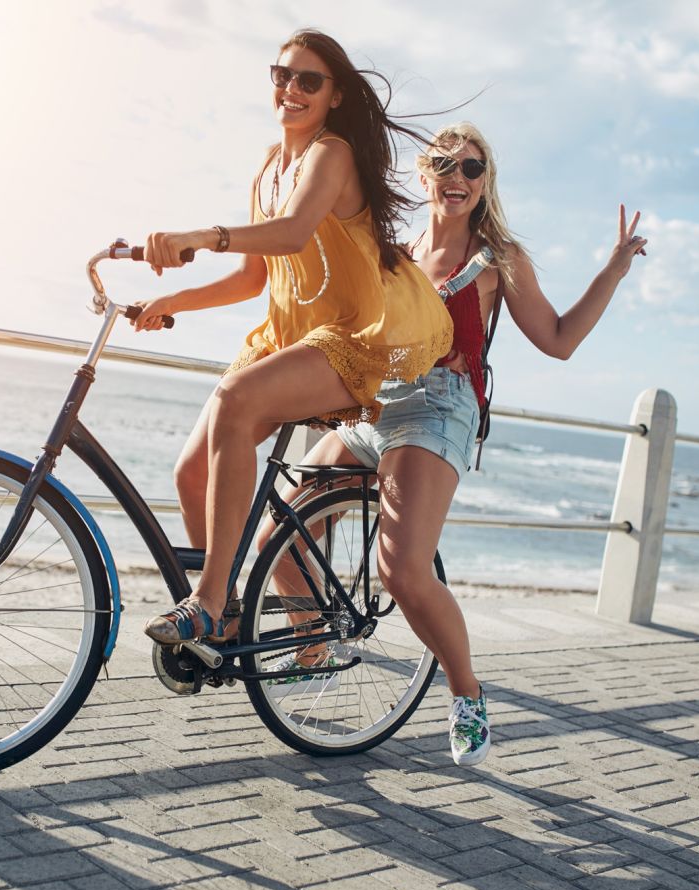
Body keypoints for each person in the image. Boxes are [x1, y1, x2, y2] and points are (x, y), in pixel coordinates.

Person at [265, 121, 648, 767]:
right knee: (288, 518)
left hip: (440, 409)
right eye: (446, 164)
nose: (459, 177)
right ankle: (313, 642)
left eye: (473, 168)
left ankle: (467, 694)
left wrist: (611, 271)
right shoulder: (398, 253)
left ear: (484, 183)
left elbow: (558, 340)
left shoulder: (498, 259)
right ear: (426, 175)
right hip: (378, 403)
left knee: (402, 569)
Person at [130, 29, 453, 647]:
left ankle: (209, 599)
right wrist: (172, 300)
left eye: (309, 80)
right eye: (281, 75)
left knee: (233, 402)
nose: (291, 89)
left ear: (334, 96)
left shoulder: (331, 153)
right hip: (283, 337)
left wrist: (199, 235)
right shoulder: (267, 168)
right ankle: (286, 626)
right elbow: (254, 278)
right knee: (190, 474)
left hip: (348, 338)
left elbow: (293, 233)